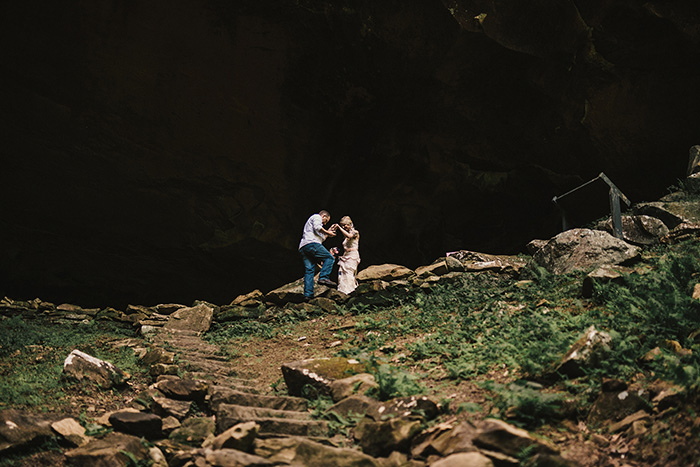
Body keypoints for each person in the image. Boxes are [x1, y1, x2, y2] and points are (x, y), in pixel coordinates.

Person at [299, 210, 338, 299]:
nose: (324, 223)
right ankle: (323, 277)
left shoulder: (314, 225)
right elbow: (318, 227)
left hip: (303, 247)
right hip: (311, 244)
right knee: (329, 258)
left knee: (309, 270)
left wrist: (329, 231)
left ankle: (308, 295)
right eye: (326, 221)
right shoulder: (317, 217)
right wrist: (328, 232)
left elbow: (321, 238)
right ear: (323, 216)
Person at [334, 216, 360, 294]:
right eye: (342, 225)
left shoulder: (355, 232)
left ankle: (350, 291)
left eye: (346, 225)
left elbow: (350, 236)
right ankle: (342, 291)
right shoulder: (345, 237)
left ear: (350, 224)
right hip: (345, 255)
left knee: (349, 273)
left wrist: (339, 227)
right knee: (341, 273)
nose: (344, 227)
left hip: (352, 255)